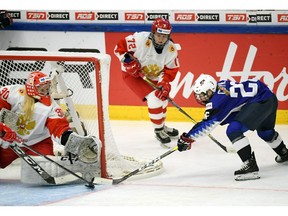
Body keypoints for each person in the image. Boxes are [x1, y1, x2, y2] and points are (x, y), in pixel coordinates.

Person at [177, 74, 288, 181]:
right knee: (265, 132)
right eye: (198, 95)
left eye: (202, 94)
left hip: (261, 101)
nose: (200, 98)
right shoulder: (220, 85)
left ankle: (250, 165)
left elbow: (207, 125)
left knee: (233, 130)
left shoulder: (217, 101)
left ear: (211, 90)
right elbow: (234, 106)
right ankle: (284, 153)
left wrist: (187, 138)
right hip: (269, 97)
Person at [0, 71, 101, 184]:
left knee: (39, 175)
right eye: (41, 89)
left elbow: (60, 130)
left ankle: (76, 166)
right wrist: (1, 129)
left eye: (47, 88)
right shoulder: (12, 93)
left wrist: (77, 143)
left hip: (37, 143)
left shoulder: (52, 107)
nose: (45, 92)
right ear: (32, 87)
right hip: (7, 140)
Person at [114, 18, 180, 147]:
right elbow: (119, 48)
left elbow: (170, 70)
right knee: (154, 98)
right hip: (132, 75)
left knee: (163, 98)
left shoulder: (171, 50)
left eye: (164, 36)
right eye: (159, 35)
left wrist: (164, 83)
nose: (161, 39)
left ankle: (162, 125)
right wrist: (127, 61)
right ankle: (158, 130)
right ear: (153, 33)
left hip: (153, 76)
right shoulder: (139, 40)